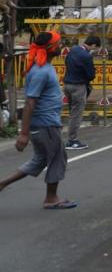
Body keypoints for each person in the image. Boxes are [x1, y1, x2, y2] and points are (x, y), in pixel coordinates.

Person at [0, 31, 76, 209]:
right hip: (45, 124)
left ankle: (2, 183)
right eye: (58, 43)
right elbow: (30, 103)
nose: (60, 46)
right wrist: (23, 134)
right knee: (57, 157)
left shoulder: (44, 67)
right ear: (50, 48)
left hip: (46, 123)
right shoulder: (40, 71)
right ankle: (51, 198)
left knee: (40, 159)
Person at [63, 35, 100, 150]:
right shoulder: (87, 56)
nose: (96, 50)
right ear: (93, 45)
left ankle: (71, 138)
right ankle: (72, 141)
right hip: (78, 86)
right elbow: (91, 75)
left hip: (67, 85)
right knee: (77, 114)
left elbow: (66, 62)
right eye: (96, 48)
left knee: (72, 112)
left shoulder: (73, 50)